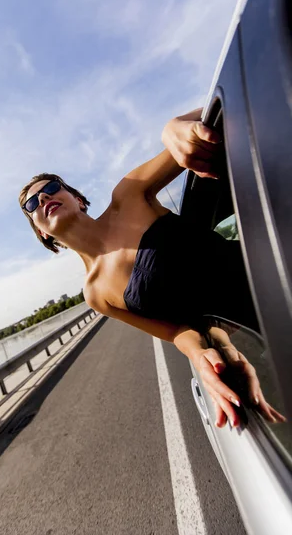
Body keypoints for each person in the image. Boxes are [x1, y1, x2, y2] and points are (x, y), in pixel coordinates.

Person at [19, 108, 285, 429]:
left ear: (77, 198)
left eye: (51, 188)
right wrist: (200, 358)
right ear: (41, 232)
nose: (43, 198)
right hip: (265, 335)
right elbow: (176, 332)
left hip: (280, 272)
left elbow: (211, 117)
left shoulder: (128, 196)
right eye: (31, 204)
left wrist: (172, 127)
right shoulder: (96, 294)